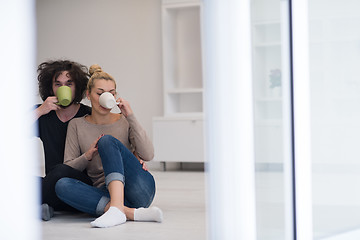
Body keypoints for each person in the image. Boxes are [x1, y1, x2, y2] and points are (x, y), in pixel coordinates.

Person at [55, 64, 163, 228]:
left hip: (138, 189)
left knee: (106, 141)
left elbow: (148, 154)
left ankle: (116, 209)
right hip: (105, 194)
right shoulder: (76, 125)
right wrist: (87, 156)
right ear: (88, 95)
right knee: (62, 185)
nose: (105, 97)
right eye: (99, 93)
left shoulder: (124, 120)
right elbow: (68, 165)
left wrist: (131, 116)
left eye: (111, 94)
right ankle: (129, 212)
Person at [34, 60, 93, 221]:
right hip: (52, 186)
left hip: (80, 187)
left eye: (69, 84)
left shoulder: (89, 114)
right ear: (51, 88)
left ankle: (33, 206)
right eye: (58, 84)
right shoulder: (43, 112)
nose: (63, 88)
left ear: (77, 87)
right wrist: (40, 111)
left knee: (61, 170)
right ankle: (43, 205)